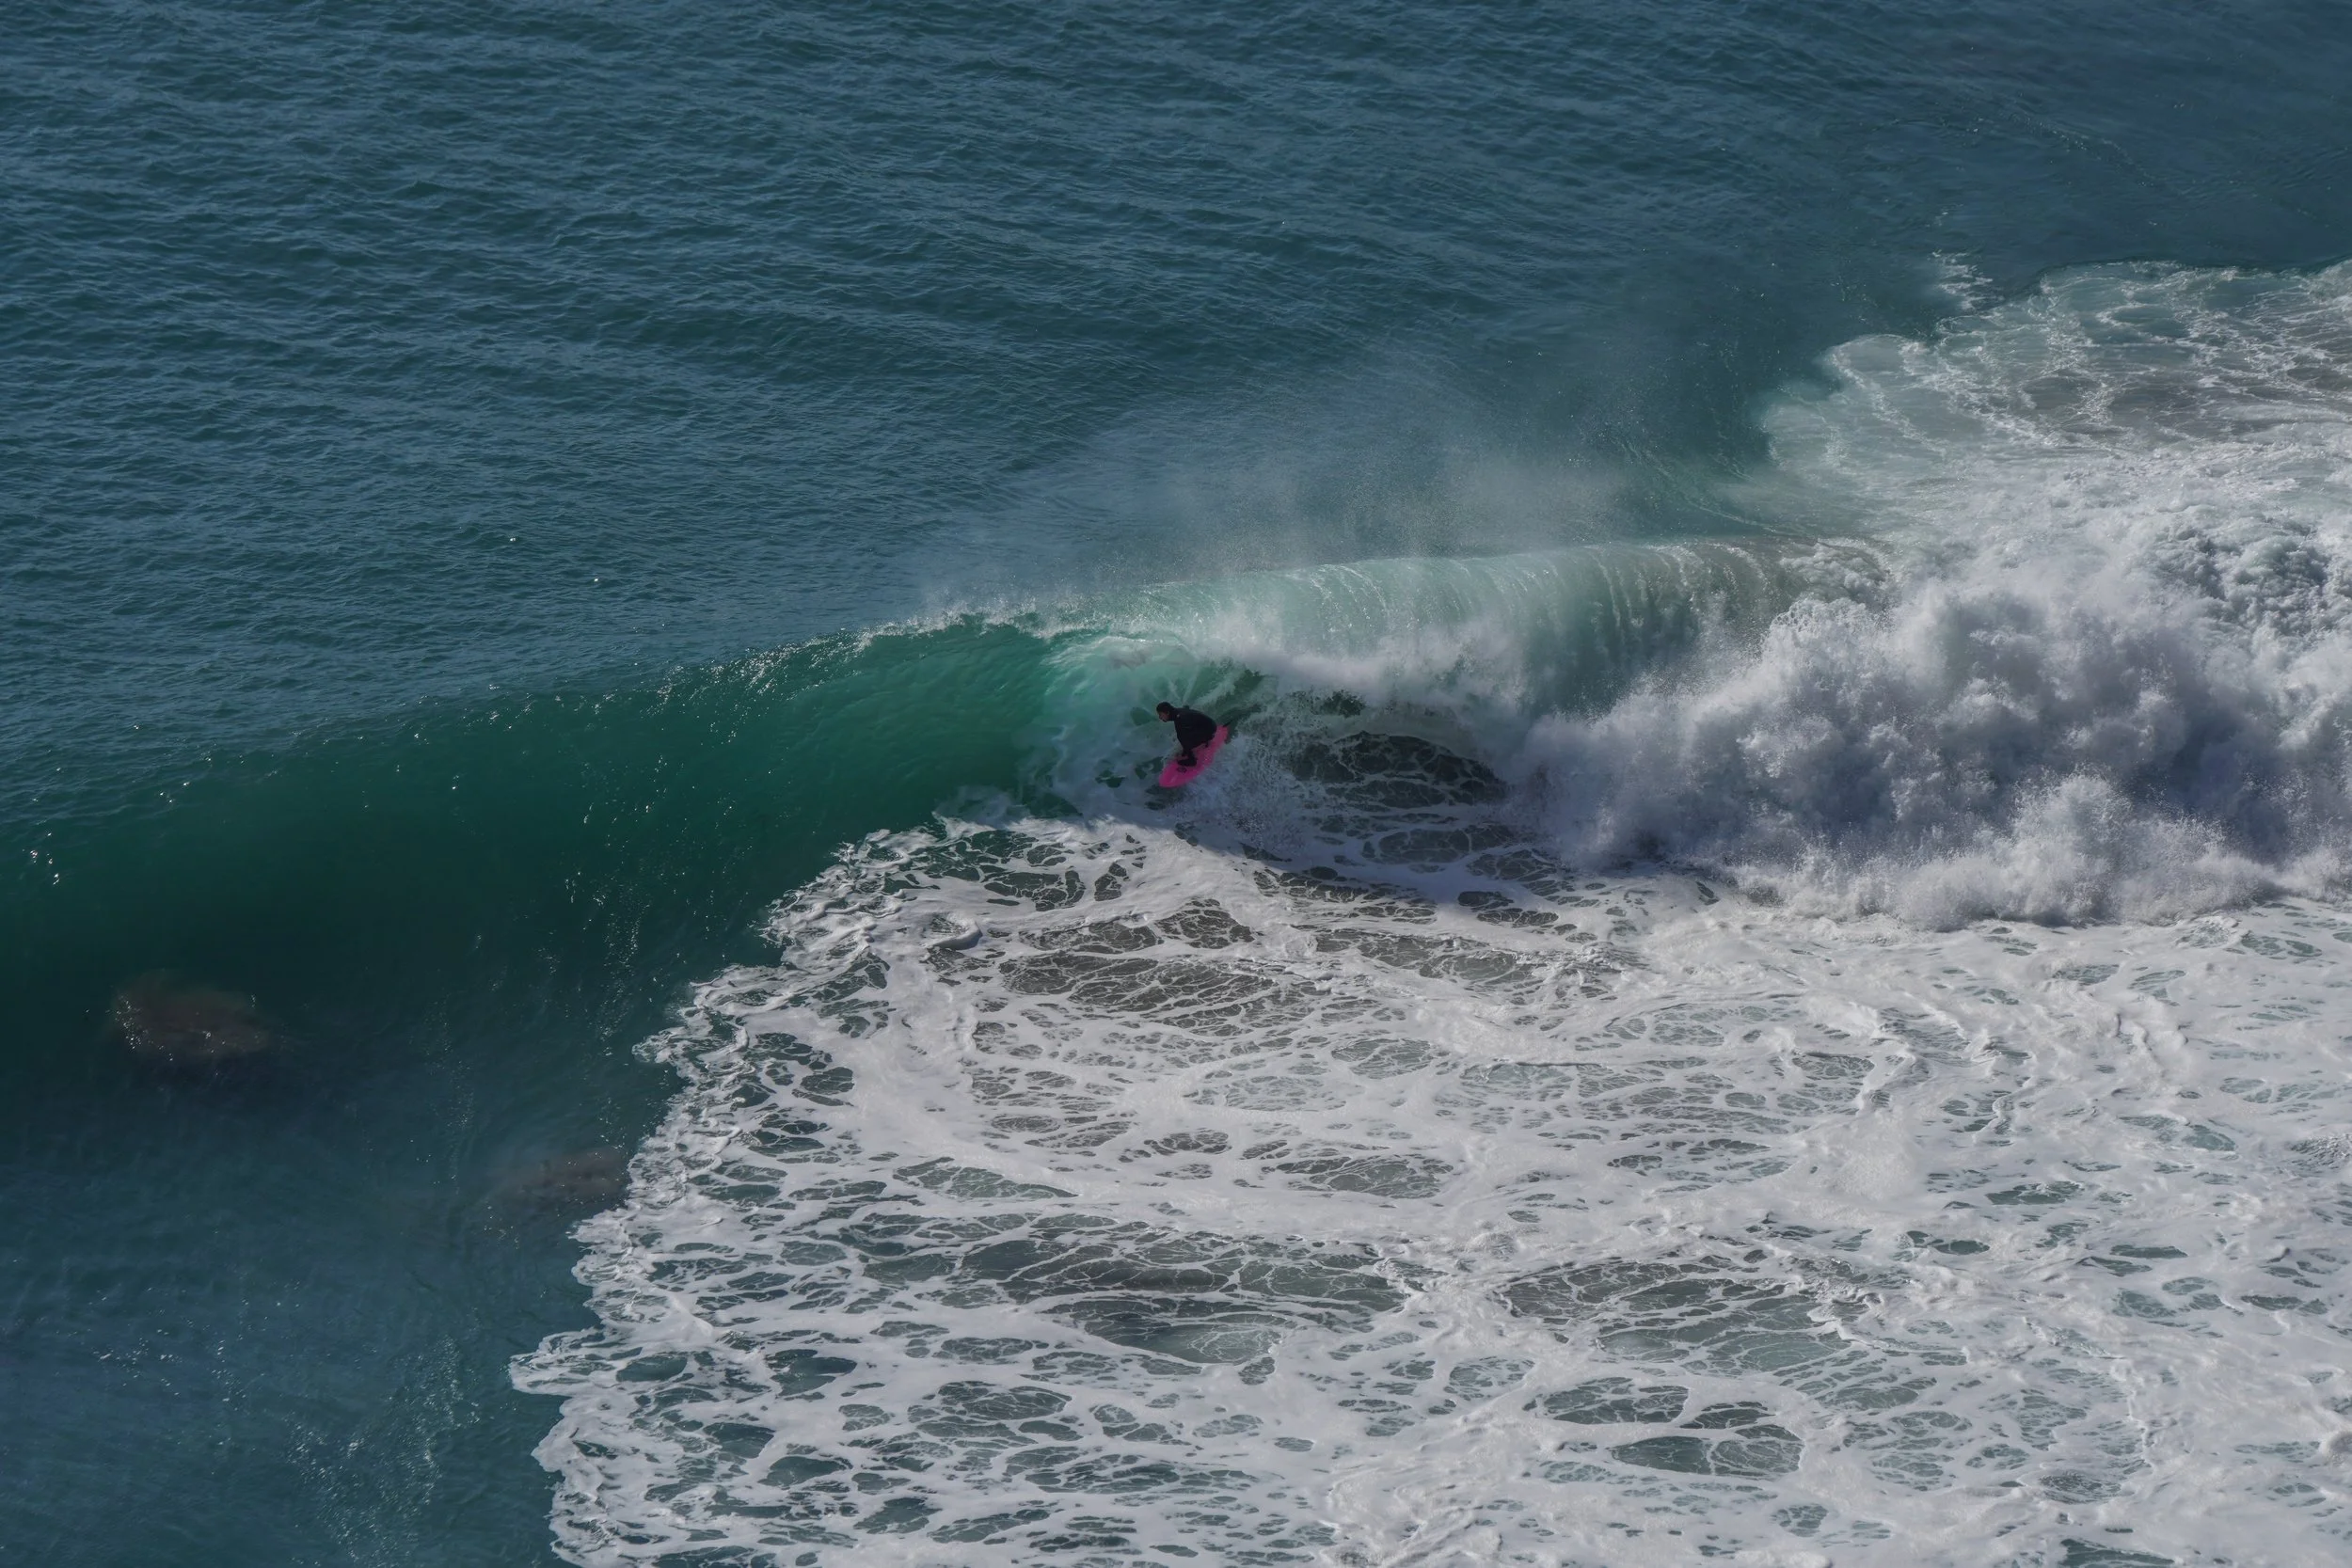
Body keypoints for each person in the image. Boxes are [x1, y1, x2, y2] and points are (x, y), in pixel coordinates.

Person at [1155, 701, 1219, 768]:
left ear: (1167, 712)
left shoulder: (1180, 718)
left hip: (1210, 729)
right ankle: (1205, 739)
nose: (1160, 717)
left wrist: (1186, 752)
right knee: (1183, 734)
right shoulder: (1177, 712)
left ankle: (1191, 759)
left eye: (1160, 714)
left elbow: (1184, 738)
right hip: (1210, 724)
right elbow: (1187, 708)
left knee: (1182, 736)